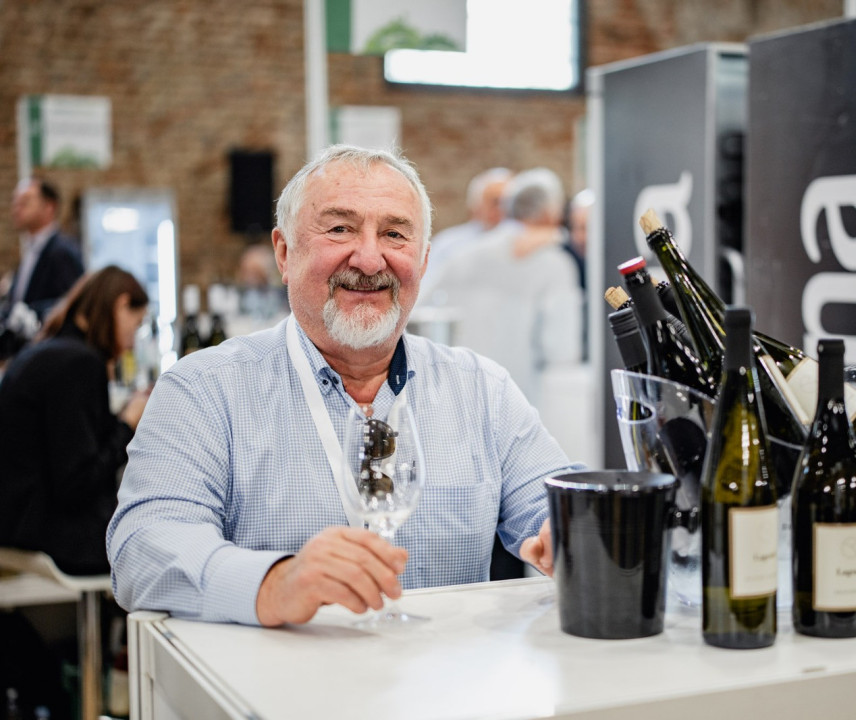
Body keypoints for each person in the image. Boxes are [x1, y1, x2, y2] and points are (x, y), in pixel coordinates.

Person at [107, 145, 572, 627]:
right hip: (286, 674)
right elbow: (143, 547)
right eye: (339, 229)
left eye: (394, 234)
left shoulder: (481, 391)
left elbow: (556, 505)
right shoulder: (204, 392)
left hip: (448, 672)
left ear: (423, 261)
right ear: (284, 254)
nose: (369, 260)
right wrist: (274, 584)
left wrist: (566, 534)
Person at [0, 265, 149, 575]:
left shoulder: (48, 351)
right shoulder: (78, 363)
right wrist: (127, 424)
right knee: (164, 542)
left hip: (17, 522)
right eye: (136, 325)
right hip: (48, 532)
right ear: (120, 305)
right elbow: (78, 483)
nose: (132, 343)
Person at [422, 167, 584, 406]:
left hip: (454, 393)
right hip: (517, 399)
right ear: (551, 212)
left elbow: (419, 309)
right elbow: (562, 350)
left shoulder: (462, 256)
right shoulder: (555, 264)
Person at [1, 178, 85, 359]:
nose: (16, 209)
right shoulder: (31, 251)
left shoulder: (62, 252)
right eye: (15, 203)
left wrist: (27, 313)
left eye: (25, 202)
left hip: (50, 355)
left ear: (49, 207)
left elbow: (71, 304)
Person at [421, 166, 512, 286]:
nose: (505, 209)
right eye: (497, 202)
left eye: (512, 202)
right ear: (476, 207)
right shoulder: (450, 246)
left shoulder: (527, 246)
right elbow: (429, 286)